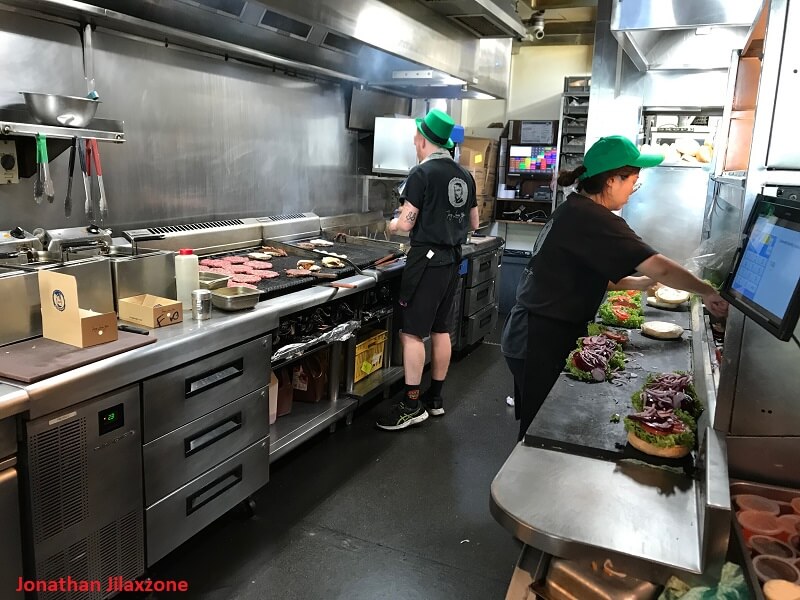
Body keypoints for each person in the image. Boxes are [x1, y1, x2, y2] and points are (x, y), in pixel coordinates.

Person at [501, 135, 729, 441]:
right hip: (538, 335)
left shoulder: (576, 209)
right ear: (612, 180)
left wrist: (638, 283)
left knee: (544, 423)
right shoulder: (593, 218)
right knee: (542, 431)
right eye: (634, 180)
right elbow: (660, 266)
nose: (634, 189)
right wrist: (706, 290)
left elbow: (588, 273)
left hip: (537, 328)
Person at [376, 109, 479, 431]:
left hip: (427, 261)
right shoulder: (464, 175)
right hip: (451, 259)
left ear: (421, 140)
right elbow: (474, 223)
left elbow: (406, 224)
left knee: (411, 334)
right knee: (440, 329)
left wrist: (392, 224)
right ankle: (434, 399)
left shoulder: (422, 173)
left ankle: (410, 404)